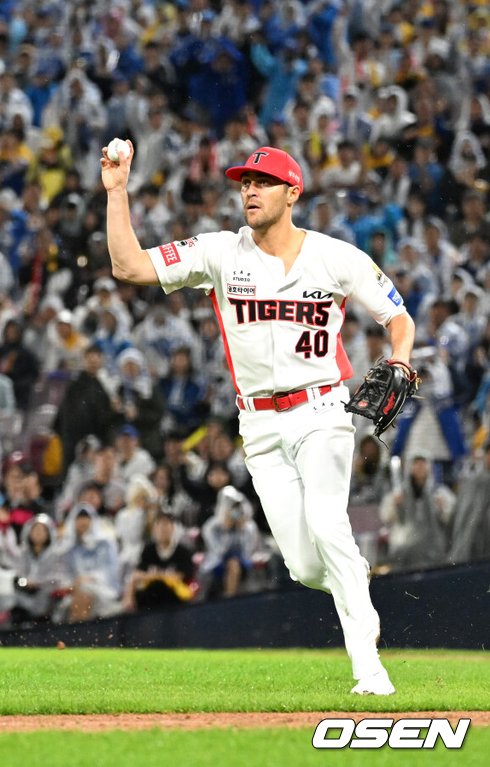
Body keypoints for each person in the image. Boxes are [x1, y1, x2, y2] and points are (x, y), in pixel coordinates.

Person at [103, 141, 416, 695]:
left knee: (326, 521)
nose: (250, 189)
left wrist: (400, 360)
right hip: (260, 428)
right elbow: (129, 266)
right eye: (245, 181)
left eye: (264, 181)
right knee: (303, 566)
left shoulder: (335, 255)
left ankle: (369, 667)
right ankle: (352, 576)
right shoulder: (220, 252)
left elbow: (399, 318)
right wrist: (117, 191)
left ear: (292, 192)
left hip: (322, 407)